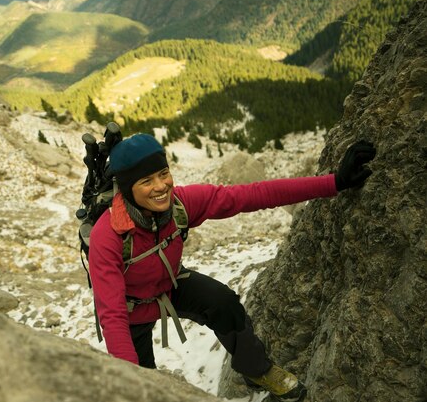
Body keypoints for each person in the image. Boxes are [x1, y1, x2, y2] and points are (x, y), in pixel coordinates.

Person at [88, 133, 376, 402]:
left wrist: (335, 182)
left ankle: (257, 370)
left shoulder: (180, 205)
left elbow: (252, 195)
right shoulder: (108, 236)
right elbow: (112, 316)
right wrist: (129, 383)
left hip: (170, 285)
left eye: (163, 173)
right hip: (131, 310)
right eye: (147, 181)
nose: (161, 186)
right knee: (142, 382)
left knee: (223, 304)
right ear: (128, 189)